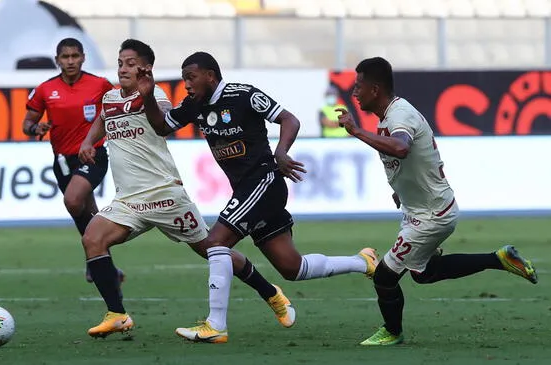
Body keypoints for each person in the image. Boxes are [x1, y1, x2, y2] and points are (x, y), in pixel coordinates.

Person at [137, 51, 379, 344]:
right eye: (185, 78)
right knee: (293, 268)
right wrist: (148, 96)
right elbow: (162, 126)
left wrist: (281, 152)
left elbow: (289, 119)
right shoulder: (194, 104)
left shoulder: (244, 95)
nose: (186, 84)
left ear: (210, 76)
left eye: (191, 77)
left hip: (263, 181)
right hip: (247, 190)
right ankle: (362, 261)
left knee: (215, 243)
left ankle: (216, 325)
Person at [78, 39, 297, 339]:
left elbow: (165, 118)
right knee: (92, 238)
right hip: (128, 198)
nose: (123, 68)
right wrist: (89, 142)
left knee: (213, 251)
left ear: (145, 68)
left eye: (131, 63)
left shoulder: (154, 94)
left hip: (164, 195)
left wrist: (148, 95)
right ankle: (117, 314)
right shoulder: (110, 98)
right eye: (120, 63)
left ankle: (270, 292)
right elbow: (104, 119)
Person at [336, 57, 538, 346]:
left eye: (359, 86)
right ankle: (499, 259)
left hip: (431, 215)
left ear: (376, 89)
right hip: (423, 207)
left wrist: (356, 131)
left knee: (384, 277)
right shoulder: (389, 116)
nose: (355, 93)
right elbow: (407, 158)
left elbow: (402, 148)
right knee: (424, 273)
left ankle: (392, 332)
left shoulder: (400, 116)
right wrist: (401, 190)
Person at [23, 38, 115, 283]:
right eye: (66, 57)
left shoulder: (100, 85)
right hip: (62, 160)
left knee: (73, 201)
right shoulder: (45, 89)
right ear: (57, 60)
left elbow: (117, 112)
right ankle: (102, 262)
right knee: (87, 210)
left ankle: (93, 257)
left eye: (75, 56)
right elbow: (27, 124)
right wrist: (36, 129)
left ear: (83, 57)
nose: (71, 61)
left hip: (93, 154)